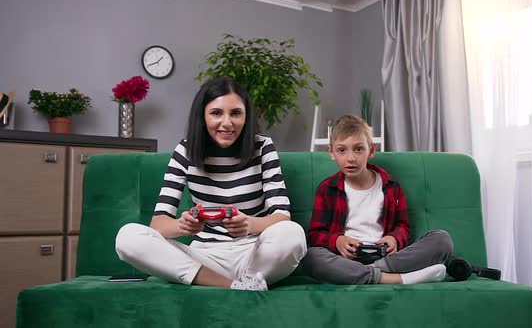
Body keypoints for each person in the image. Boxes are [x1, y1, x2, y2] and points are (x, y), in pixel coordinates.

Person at [115, 77, 307, 291]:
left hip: (256, 256)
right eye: (216, 113)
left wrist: (250, 224)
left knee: (293, 233)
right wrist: (183, 225)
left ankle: (249, 280)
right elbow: (158, 224)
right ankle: (235, 286)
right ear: (203, 116)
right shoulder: (185, 151)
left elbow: (282, 216)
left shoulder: (262, 147)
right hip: (204, 259)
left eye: (236, 113)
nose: (227, 123)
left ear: (246, 116)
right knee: (127, 237)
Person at [302, 115, 453, 285]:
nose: (351, 158)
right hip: (346, 260)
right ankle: (393, 278)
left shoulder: (391, 186)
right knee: (310, 257)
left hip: (386, 257)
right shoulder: (327, 188)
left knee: (442, 240)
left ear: (371, 150)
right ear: (331, 152)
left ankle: (373, 271)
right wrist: (338, 241)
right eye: (342, 150)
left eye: (358, 149)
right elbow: (315, 235)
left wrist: (394, 238)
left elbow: (402, 226)